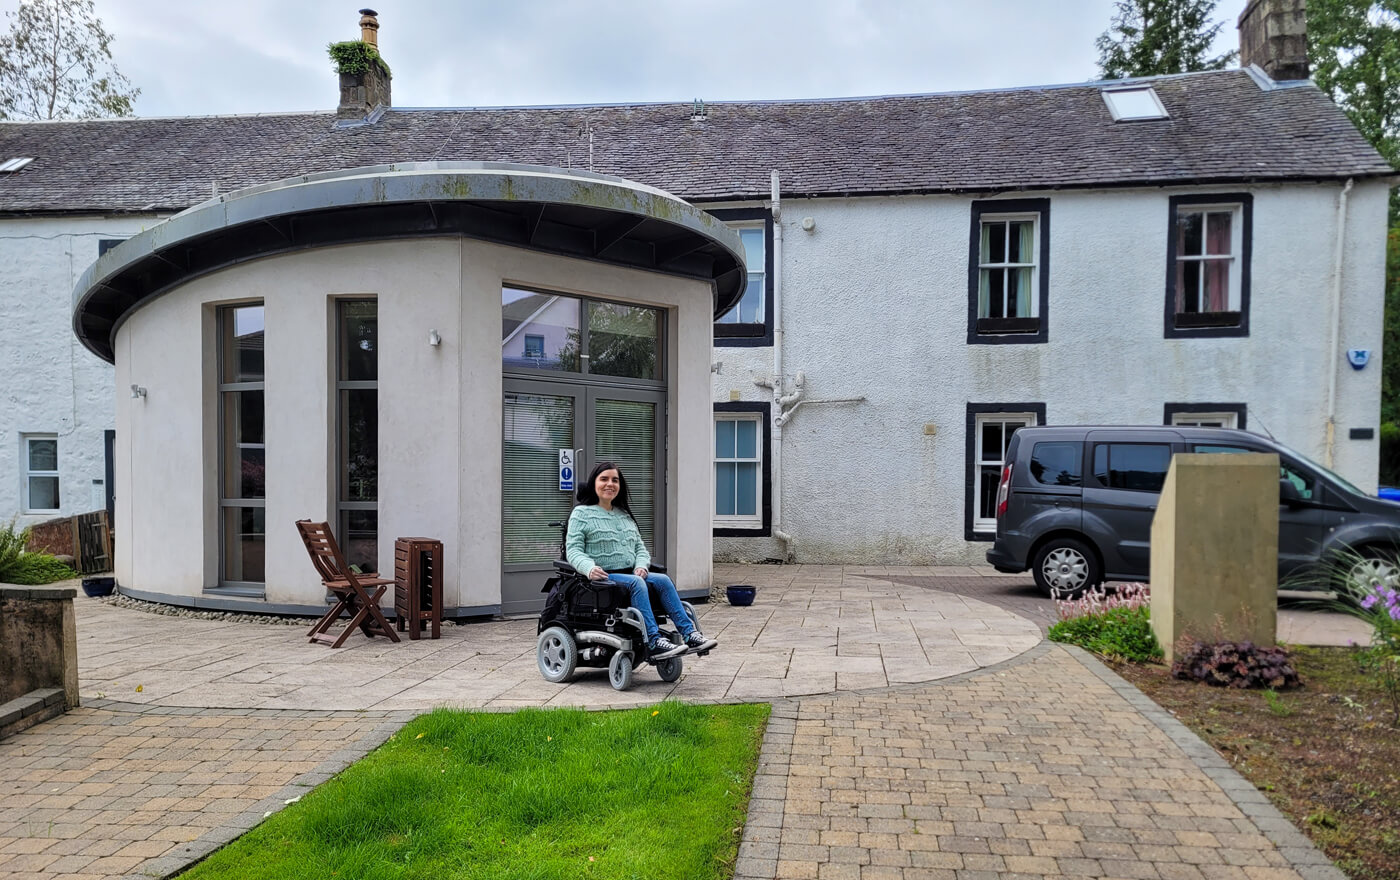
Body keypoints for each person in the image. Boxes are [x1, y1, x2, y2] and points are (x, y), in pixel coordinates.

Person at [565, 461, 717, 659]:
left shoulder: (624, 514)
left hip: (630, 573)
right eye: (604, 479)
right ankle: (653, 641)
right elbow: (573, 550)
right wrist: (589, 568)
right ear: (594, 482)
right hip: (603, 577)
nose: (610, 484)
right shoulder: (581, 513)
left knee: (662, 579)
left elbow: (640, 549)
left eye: (615, 480)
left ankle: (690, 634)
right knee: (637, 583)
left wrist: (641, 566)